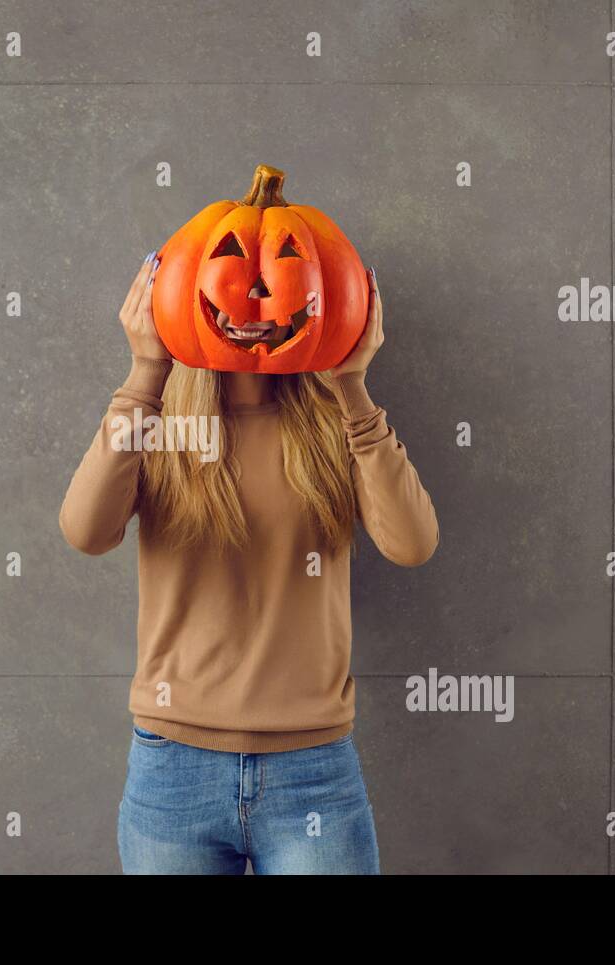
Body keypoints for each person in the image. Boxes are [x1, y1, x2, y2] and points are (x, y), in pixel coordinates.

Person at [59, 249, 440, 874]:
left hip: (314, 772)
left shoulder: (335, 427)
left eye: (279, 277)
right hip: (173, 769)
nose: (255, 306)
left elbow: (412, 543)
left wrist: (353, 386)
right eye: (235, 273)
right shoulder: (164, 428)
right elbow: (86, 531)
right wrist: (144, 373)